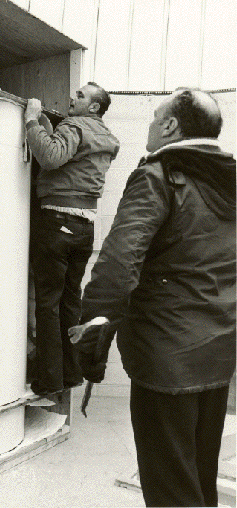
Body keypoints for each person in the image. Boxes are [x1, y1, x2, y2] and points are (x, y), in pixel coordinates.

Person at [69, 87, 236, 507]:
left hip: (167, 359)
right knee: (198, 476)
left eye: (154, 117)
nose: (150, 125)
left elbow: (117, 264)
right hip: (218, 354)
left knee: (170, 490)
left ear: (170, 126)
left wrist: (92, 341)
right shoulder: (229, 181)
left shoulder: (159, 176)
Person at [24, 82, 120, 395]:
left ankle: (49, 380)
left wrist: (31, 121)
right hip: (84, 228)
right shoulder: (107, 138)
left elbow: (51, 157)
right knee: (69, 301)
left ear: (94, 107)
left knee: (48, 303)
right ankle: (71, 373)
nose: (72, 98)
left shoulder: (75, 125)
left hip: (57, 221)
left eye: (80, 96)